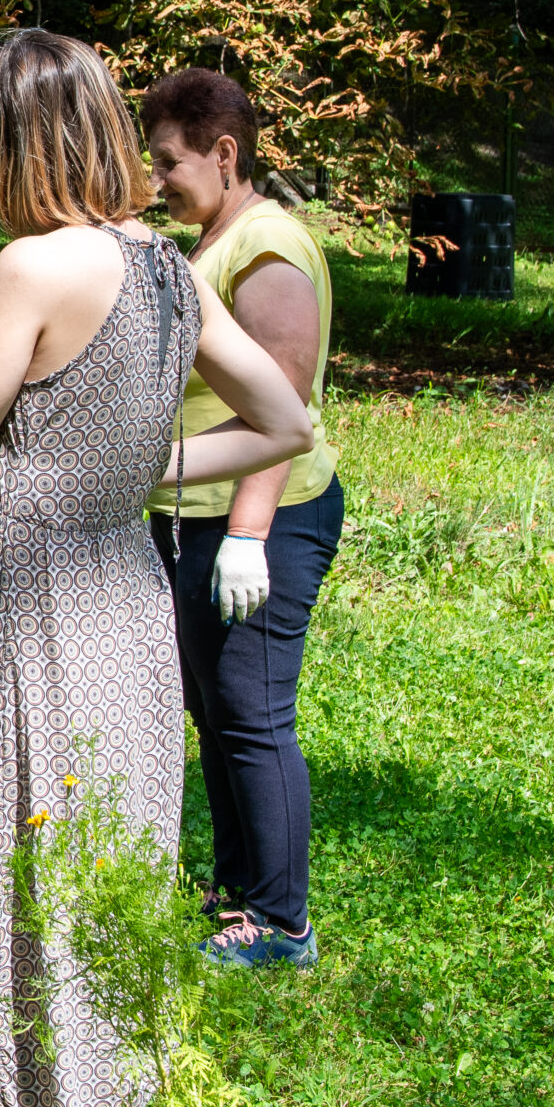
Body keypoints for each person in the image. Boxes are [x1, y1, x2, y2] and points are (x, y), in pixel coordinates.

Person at [0, 30, 311, 1107]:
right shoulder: (172, 266)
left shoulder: (35, 266)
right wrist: (136, 468)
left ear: (24, 137)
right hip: (124, 596)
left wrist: (71, 468)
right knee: (99, 871)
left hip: (30, 595)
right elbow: (283, 421)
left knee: (24, 869)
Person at [141, 68, 343, 969]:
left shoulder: (267, 245)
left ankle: (282, 921)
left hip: (261, 519)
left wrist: (249, 536)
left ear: (226, 153)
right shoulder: (211, 236)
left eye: (170, 163)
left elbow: (282, 399)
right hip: (195, 514)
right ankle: (235, 895)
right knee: (215, 710)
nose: (158, 183)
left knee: (254, 710)